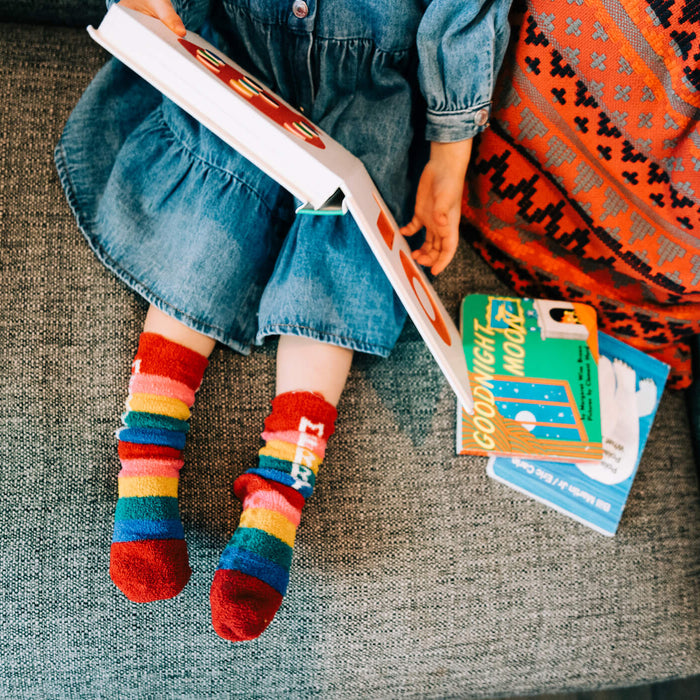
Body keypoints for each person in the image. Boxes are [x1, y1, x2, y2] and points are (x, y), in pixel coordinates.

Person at [54, 0, 512, 642]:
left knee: (344, 250)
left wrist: (451, 150)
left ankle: (281, 492)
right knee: (210, 209)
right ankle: (147, 455)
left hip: (367, 89)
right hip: (241, 47)